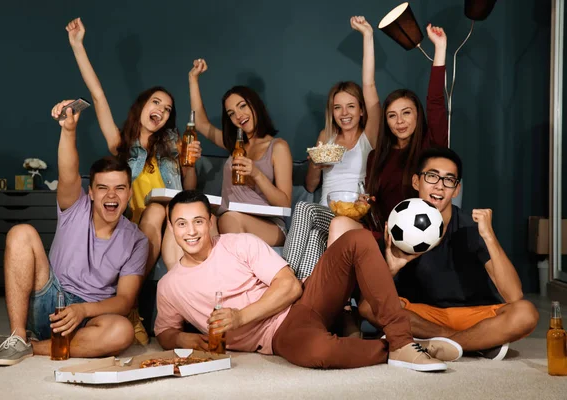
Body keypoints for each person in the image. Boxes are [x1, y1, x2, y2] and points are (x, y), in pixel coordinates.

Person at [154, 190, 463, 371]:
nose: (191, 231)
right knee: (318, 353)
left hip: (303, 303)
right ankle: (406, 347)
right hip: (278, 337)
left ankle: (402, 339)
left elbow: (290, 286)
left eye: (198, 221)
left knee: (357, 239)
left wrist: (240, 317)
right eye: (181, 223)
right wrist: (186, 339)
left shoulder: (239, 244)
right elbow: (165, 332)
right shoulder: (169, 286)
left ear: (210, 222)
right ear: (171, 226)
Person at [0, 101, 148, 366]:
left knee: (121, 331)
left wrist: (82, 310)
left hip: (88, 317)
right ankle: (18, 334)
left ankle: (30, 347)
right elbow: (68, 171)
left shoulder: (137, 240)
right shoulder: (75, 206)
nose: (111, 195)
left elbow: (123, 301)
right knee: (21, 232)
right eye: (103, 188)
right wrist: (68, 131)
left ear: (129, 194)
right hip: (49, 298)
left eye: (120, 188)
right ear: (91, 192)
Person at [66, 17, 202, 344]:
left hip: (178, 219)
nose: (162, 110)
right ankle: (134, 307)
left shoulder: (173, 146)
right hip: (137, 222)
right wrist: (77, 45)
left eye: (168, 109)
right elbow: (98, 96)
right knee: (154, 210)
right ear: (142, 105)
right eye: (156, 102)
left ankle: (167, 311)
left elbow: (191, 190)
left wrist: (190, 162)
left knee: (166, 212)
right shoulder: (121, 146)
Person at [359, 147, 540, 360]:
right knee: (369, 306)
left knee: (526, 313)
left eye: (448, 180)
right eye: (432, 176)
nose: (439, 186)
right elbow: (369, 302)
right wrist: (392, 268)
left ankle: (428, 344)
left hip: (472, 314)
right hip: (421, 315)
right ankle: (469, 342)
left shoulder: (470, 227)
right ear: (417, 182)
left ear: (456, 190)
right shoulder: (401, 221)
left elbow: (514, 296)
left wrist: (489, 236)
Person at [328, 23, 449, 244]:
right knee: (337, 224)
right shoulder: (377, 156)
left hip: (415, 234)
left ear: (417, 116)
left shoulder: (430, 148)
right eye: (392, 115)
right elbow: (375, 204)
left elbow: (436, 103)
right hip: (382, 235)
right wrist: (366, 202)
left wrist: (440, 49)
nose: (399, 121)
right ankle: (315, 279)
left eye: (406, 113)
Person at [284, 16, 379, 280]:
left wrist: (367, 37)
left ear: (361, 111)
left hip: (354, 217)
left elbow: (369, 86)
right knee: (314, 238)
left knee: (302, 209)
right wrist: (316, 163)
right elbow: (312, 186)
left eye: (351, 106)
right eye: (338, 107)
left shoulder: (368, 137)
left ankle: (282, 279)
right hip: (326, 214)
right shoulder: (326, 136)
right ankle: (298, 290)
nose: (344, 113)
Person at [187, 59, 293, 253]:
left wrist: (257, 173)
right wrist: (193, 78)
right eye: (231, 113)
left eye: (242, 106)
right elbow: (201, 123)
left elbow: (285, 203)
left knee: (228, 219)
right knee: (200, 224)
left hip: (269, 226)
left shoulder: (277, 147)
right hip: (230, 218)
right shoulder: (235, 146)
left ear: (255, 105)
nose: (238, 115)